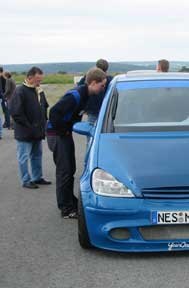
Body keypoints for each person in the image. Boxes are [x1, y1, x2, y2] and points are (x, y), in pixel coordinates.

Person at [47, 67, 107, 219]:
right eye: (102, 85)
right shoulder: (75, 96)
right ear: (93, 83)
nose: (103, 88)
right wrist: (64, 131)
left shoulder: (86, 95)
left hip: (64, 134)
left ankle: (70, 202)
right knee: (65, 172)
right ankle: (66, 208)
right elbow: (54, 113)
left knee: (70, 169)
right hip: (58, 135)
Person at [9, 67, 51, 189]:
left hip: (37, 131)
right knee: (24, 157)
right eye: (38, 80)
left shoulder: (39, 90)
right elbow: (16, 112)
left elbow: (44, 107)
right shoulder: (20, 91)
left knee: (37, 155)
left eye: (41, 80)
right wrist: (29, 126)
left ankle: (37, 177)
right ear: (29, 77)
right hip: (25, 132)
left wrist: (45, 122)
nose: (39, 82)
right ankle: (26, 180)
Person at [77, 59, 113, 126]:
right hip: (105, 108)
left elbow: (79, 89)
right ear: (106, 69)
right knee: (106, 127)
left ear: (96, 67)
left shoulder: (88, 78)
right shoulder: (109, 79)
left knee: (89, 128)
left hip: (92, 109)